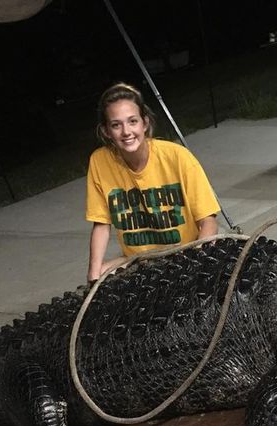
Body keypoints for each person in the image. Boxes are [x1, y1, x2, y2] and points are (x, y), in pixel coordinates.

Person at [85, 82, 220, 282]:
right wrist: (93, 275)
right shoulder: (99, 161)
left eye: (132, 121)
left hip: (185, 254)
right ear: (106, 131)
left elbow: (208, 222)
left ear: (145, 123)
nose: (126, 131)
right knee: (101, 274)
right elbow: (102, 225)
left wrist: (195, 260)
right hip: (139, 260)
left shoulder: (178, 157)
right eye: (116, 125)